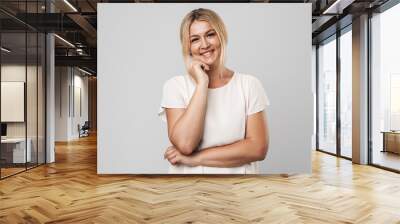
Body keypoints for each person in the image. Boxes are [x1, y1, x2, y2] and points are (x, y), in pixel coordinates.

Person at [158, 8, 270, 174]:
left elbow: (257, 148)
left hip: (238, 190)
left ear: (221, 36)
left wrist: (194, 159)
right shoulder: (174, 86)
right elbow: (185, 144)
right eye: (195, 39)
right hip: (189, 191)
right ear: (188, 47)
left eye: (210, 34)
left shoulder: (249, 85)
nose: (204, 45)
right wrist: (202, 83)